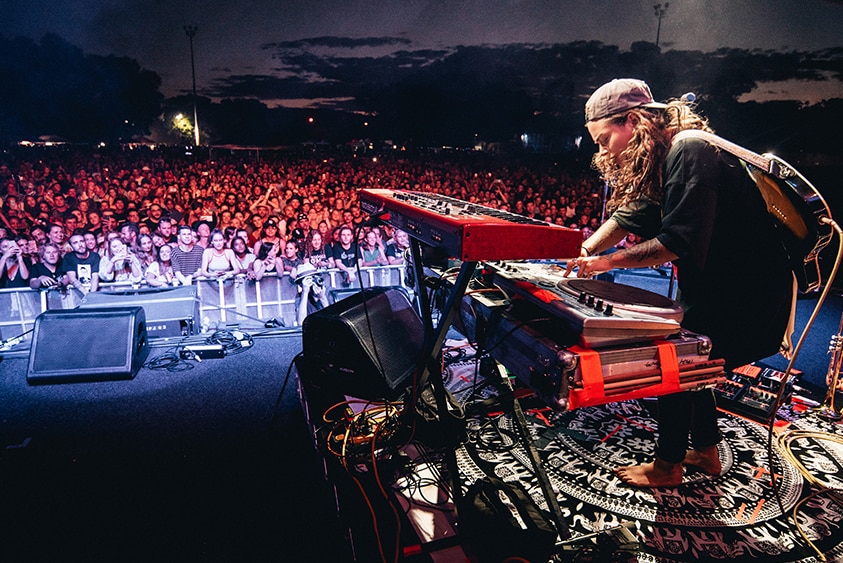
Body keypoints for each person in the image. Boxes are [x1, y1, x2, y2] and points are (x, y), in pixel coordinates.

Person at [565, 78, 793, 487]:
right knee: (696, 367)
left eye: (603, 140)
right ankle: (706, 452)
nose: (602, 152)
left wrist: (600, 265)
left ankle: (666, 468)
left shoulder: (690, 150)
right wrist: (585, 250)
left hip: (750, 297)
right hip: (718, 291)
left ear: (632, 121)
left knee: (675, 362)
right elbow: (633, 214)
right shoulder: (666, 153)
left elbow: (678, 241)